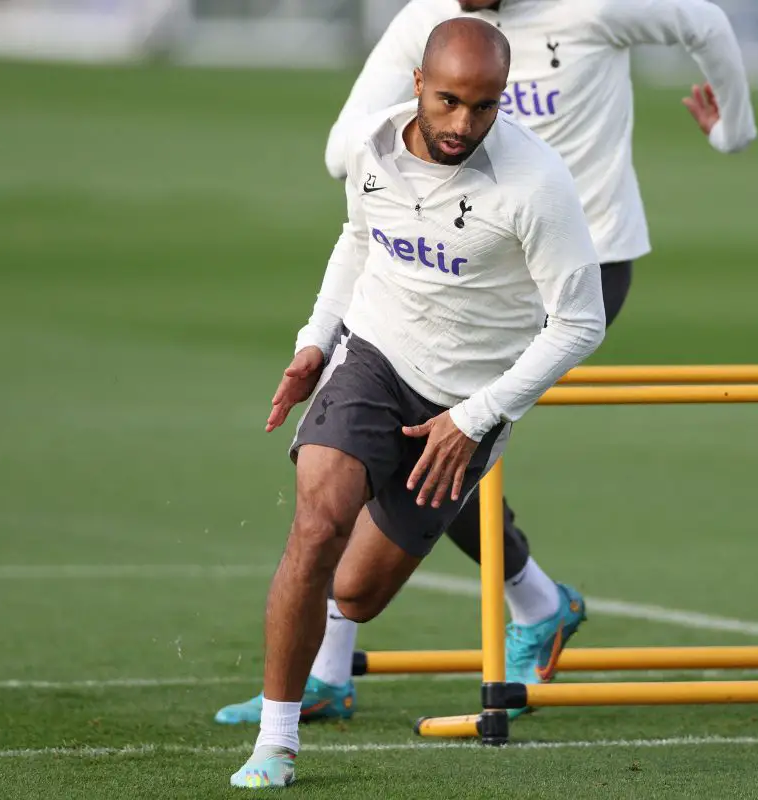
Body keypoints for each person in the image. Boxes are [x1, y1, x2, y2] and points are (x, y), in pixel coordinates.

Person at [214, 0, 757, 727]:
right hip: (457, 254)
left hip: (579, 262)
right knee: (407, 440)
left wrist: (734, 131)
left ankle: (489, 613)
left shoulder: (596, 8)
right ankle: (351, 660)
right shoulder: (434, 19)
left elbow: (707, 25)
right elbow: (346, 148)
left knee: (455, 429)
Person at [228, 17, 606, 788]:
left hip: (468, 401)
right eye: (448, 101)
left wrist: (475, 419)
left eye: (485, 105)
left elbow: (580, 322)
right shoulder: (370, 148)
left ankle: (529, 602)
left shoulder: (535, 183)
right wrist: (315, 340)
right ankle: (277, 740)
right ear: (417, 87)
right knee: (316, 524)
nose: (463, 123)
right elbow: (358, 240)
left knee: (356, 595)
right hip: (372, 357)